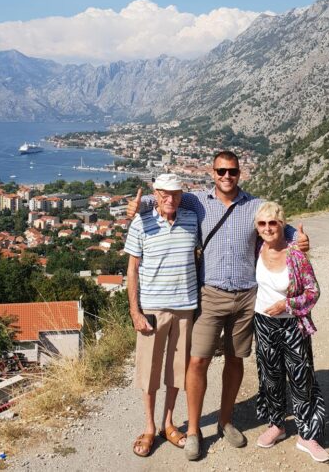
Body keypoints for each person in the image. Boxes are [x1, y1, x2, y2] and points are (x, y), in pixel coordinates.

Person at [126, 151, 310, 460]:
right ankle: (195, 430)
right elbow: (166, 199)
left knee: (236, 360)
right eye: (221, 171)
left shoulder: (254, 205)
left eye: (232, 171)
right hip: (209, 294)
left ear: (240, 173)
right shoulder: (198, 202)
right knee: (197, 361)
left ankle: (225, 421)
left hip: (246, 296)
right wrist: (139, 204)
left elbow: (277, 223)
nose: (227, 177)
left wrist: (297, 237)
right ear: (213, 173)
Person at [124, 173, 199, 457]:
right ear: (155, 194)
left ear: (182, 194)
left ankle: (168, 423)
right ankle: (149, 426)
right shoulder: (141, 223)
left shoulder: (192, 219)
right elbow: (131, 269)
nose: (170, 199)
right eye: (164, 194)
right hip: (153, 308)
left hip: (185, 306)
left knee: (176, 370)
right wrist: (135, 311)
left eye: (176, 194)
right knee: (149, 372)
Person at [253, 201, 329, 463]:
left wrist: (287, 304)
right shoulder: (256, 249)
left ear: (281, 224)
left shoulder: (295, 255)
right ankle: (276, 424)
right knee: (270, 377)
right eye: (262, 224)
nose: (267, 228)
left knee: (302, 379)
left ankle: (308, 435)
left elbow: (313, 292)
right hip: (263, 323)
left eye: (272, 223)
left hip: (293, 323)